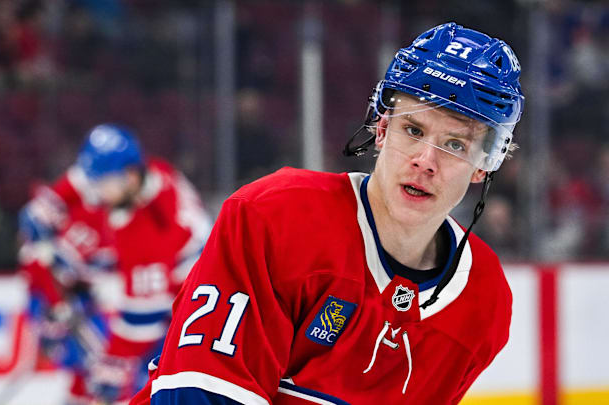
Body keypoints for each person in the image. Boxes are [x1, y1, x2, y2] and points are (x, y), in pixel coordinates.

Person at [131, 22, 524, 405]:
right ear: (382, 128)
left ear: (483, 165)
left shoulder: (482, 303)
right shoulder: (275, 217)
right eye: (414, 131)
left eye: (455, 144)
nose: (425, 161)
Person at [19, 124, 212, 404]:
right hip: (154, 289)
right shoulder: (142, 173)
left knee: (147, 387)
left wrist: (112, 367)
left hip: (186, 308)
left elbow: (142, 322)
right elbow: (83, 181)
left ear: (130, 178)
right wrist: (53, 202)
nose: (95, 193)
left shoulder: (153, 232)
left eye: (102, 184)